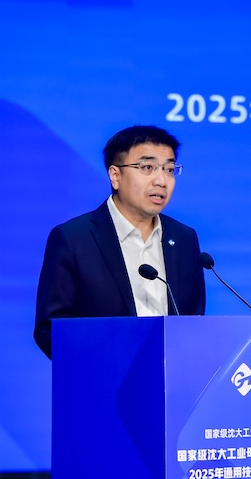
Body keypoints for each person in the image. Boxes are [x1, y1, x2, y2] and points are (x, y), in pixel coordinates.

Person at [33, 125, 205, 359]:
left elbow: (194, 323)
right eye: (147, 167)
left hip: (172, 378)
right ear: (115, 176)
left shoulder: (184, 239)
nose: (161, 180)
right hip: (103, 376)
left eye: (169, 169)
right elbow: (50, 329)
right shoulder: (73, 239)